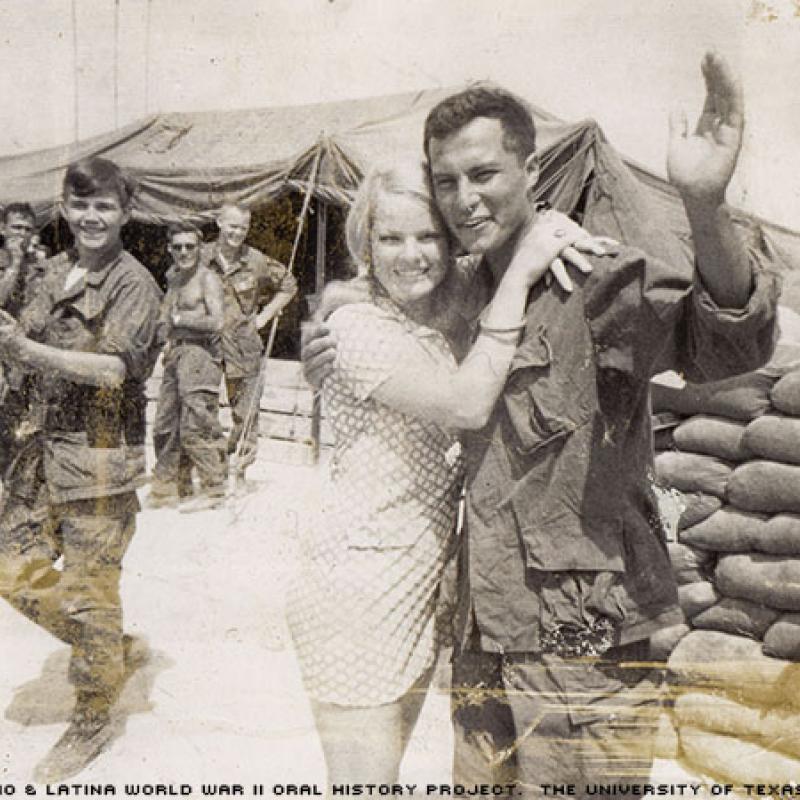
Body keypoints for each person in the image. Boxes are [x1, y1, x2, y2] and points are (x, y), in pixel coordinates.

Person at [301, 53, 780, 795]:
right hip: (485, 634)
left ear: (531, 172)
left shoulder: (588, 275)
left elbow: (729, 342)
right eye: (447, 181)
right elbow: (378, 308)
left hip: (583, 640)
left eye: (484, 174)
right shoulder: (462, 294)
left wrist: (705, 206)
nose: (463, 200)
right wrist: (324, 335)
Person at [287, 159, 611, 787]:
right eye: (390, 238)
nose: (411, 255)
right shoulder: (356, 328)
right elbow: (465, 402)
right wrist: (520, 274)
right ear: (364, 245)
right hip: (355, 586)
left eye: (427, 236)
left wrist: (552, 229)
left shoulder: (445, 306)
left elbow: (520, 235)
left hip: (411, 580)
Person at [0, 157, 163, 782]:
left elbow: (112, 370)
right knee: (15, 574)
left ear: (125, 212)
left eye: (105, 206)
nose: (91, 216)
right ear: (63, 209)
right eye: (80, 203)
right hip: (38, 454)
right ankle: (110, 653)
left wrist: (24, 348)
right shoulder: (53, 272)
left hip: (97, 461)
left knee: (92, 596)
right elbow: (21, 334)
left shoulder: (135, 285)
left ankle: (93, 715)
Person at [203, 203, 297, 481]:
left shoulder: (255, 261)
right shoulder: (199, 257)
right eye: (232, 226)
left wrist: (265, 316)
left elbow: (289, 285)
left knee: (246, 413)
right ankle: (214, 469)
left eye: (243, 228)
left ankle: (240, 470)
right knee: (202, 410)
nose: (237, 233)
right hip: (205, 344)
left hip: (243, 346)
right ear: (219, 222)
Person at [149, 220, 227, 511]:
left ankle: (214, 487)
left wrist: (180, 321)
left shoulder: (207, 279)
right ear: (170, 249)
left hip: (200, 354)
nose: (184, 252)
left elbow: (217, 322)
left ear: (200, 248)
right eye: (178, 247)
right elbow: (164, 317)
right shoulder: (175, 278)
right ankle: (171, 487)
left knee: (196, 422)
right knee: (164, 424)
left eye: (190, 246)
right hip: (175, 354)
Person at [0, 203, 45, 476]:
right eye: (17, 227)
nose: (22, 234)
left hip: (25, 350)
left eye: (28, 229)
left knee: (21, 417)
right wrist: (14, 265)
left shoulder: (39, 264)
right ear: (3, 229)